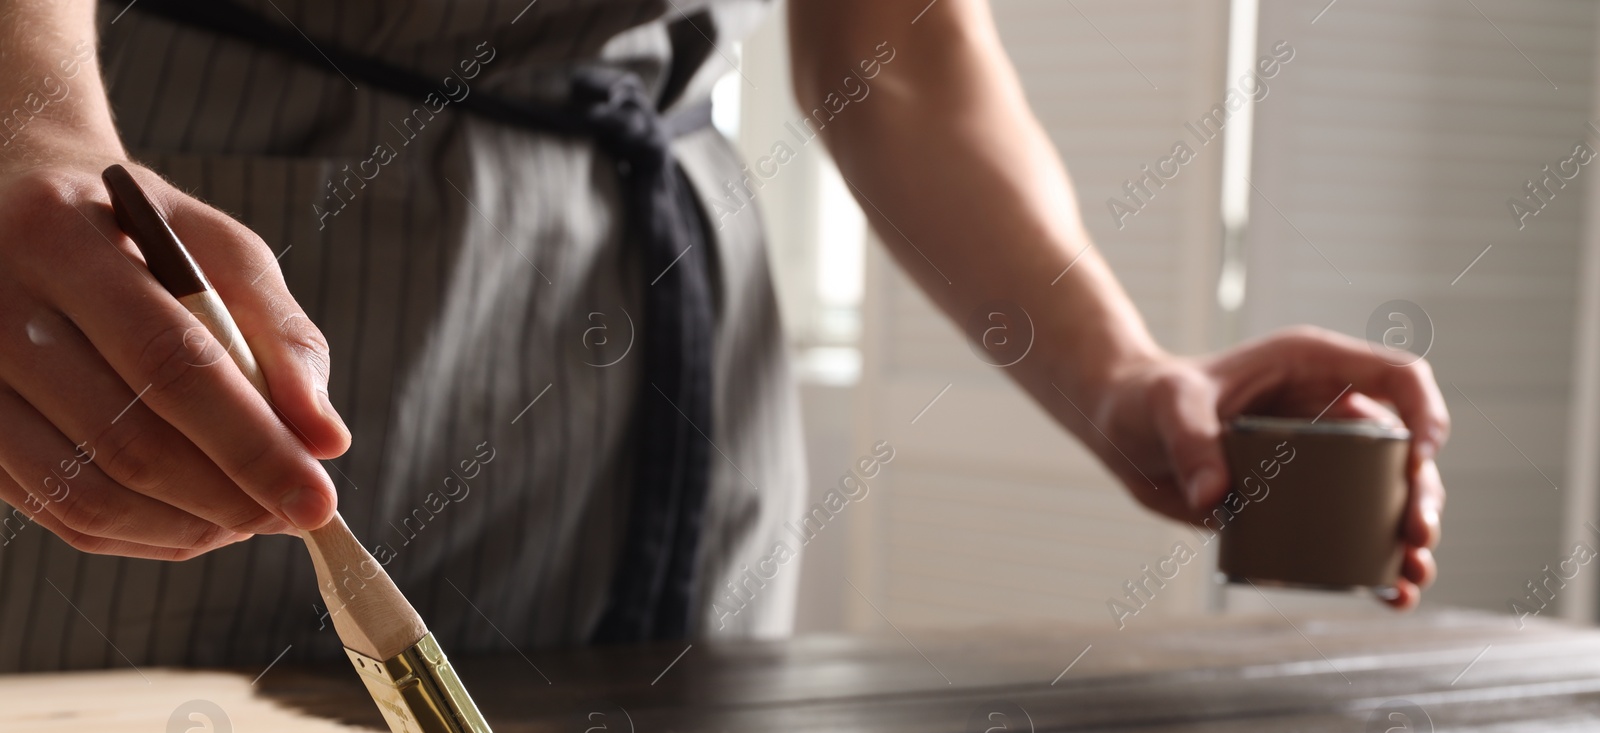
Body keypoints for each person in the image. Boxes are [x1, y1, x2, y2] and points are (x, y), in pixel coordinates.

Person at [0, 0, 1445, 671]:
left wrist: (1128, 377)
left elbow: (905, 38)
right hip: (221, 260)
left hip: (664, 334)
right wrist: (27, 128)